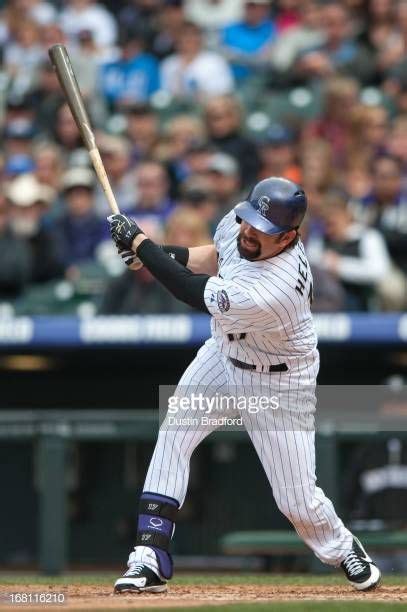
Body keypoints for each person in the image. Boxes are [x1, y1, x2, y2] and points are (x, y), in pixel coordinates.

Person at [107, 177, 381, 593]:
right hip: (223, 353)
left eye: (263, 230)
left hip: (280, 380)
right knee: (174, 436)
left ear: (289, 236)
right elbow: (216, 257)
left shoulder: (276, 287)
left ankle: (343, 548)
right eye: (249, 220)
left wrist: (143, 244)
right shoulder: (245, 226)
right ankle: (149, 557)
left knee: (297, 500)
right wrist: (156, 255)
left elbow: (188, 290)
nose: (249, 232)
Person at [160, 21, 234, 100]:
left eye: (194, 35)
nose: (189, 39)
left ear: (200, 38)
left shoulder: (215, 61)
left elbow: (225, 91)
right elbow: (165, 94)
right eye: (185, 35)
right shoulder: (169, 64)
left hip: (209, 106)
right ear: (177, 39)